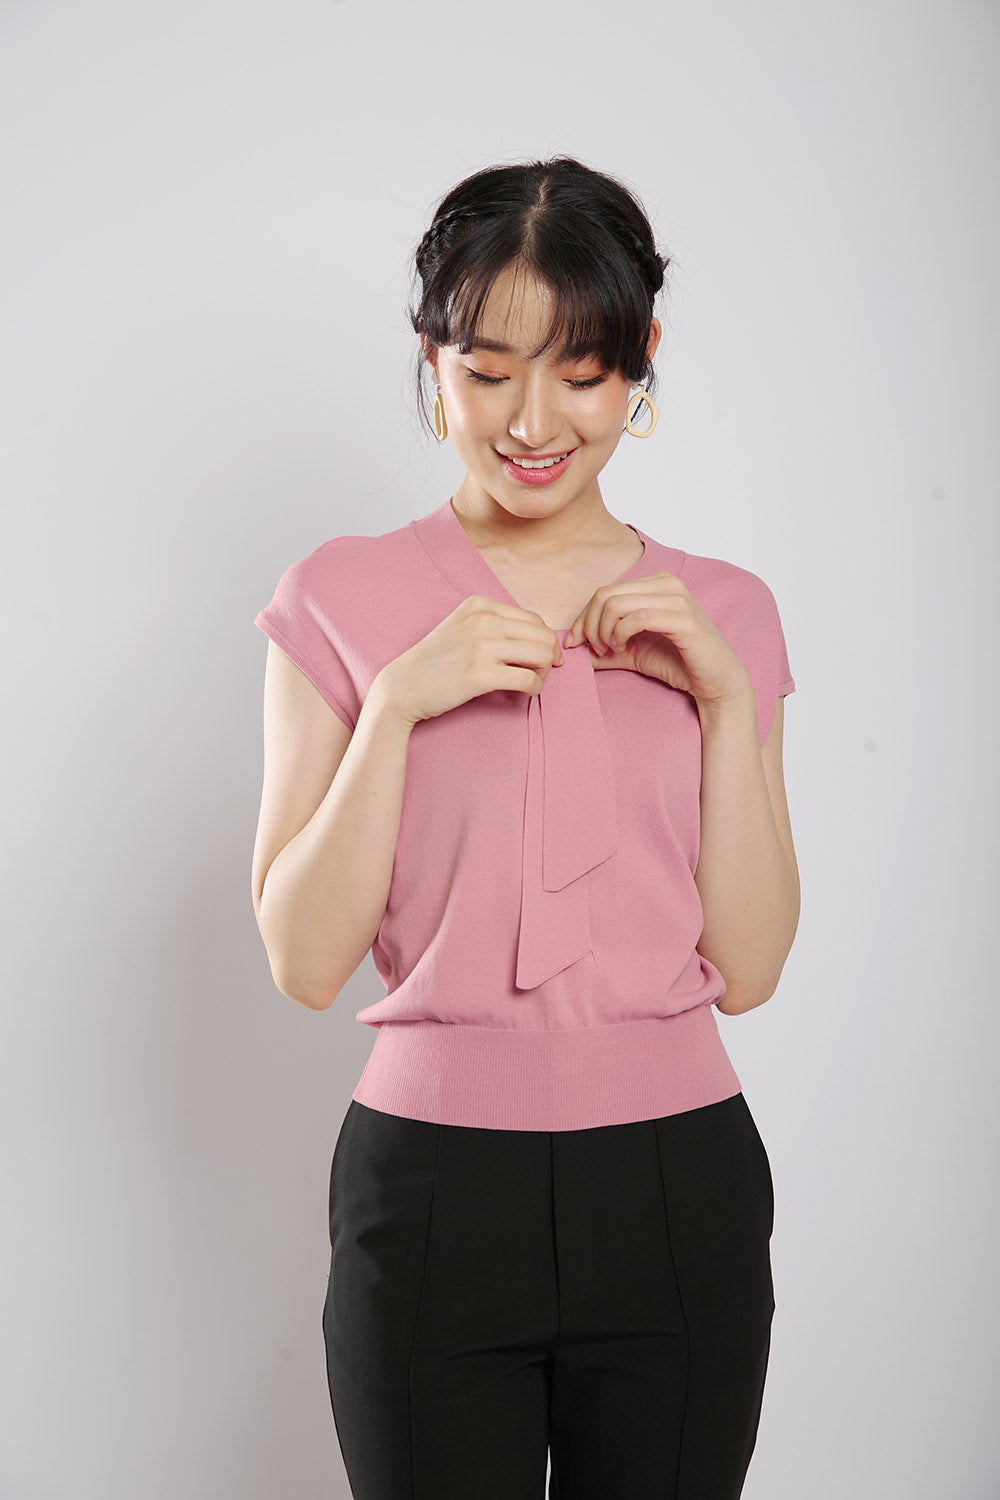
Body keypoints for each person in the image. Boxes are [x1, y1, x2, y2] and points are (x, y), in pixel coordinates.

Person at [251, 156, 799, 1500]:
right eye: (489, 372)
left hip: (677, 1183)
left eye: (583, 374)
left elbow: (753, 967)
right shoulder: (339, 598)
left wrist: (728, 703)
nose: (534, 421)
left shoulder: (724, 611)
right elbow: (305, 962)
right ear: (431, 357)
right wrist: (397, 708)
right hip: (432, 1189)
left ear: (642, 359)